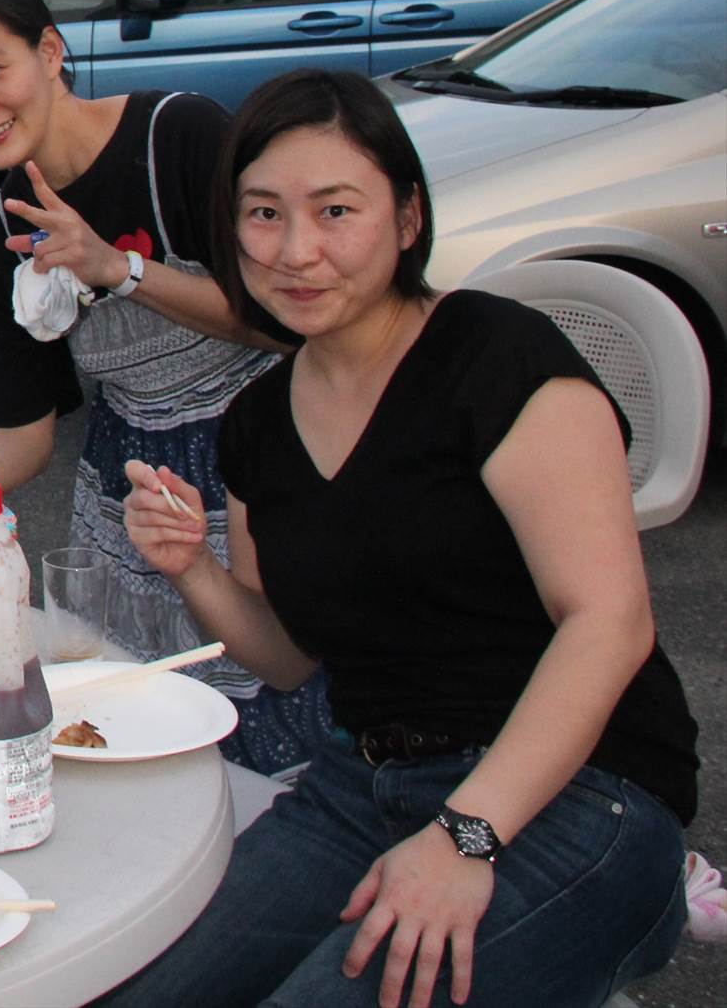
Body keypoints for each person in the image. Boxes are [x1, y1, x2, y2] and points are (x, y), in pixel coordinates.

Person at [99, 69, 697, 1008]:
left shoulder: (497, 355)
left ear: (407, 217)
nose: (296, 250)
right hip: (363, 786)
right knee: (135, 989)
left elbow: (608, 622)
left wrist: (465, 835)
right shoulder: (256, 422)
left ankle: (634, 908)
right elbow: (288, 656)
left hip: (579, 792)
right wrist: (190, 567)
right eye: (262, 213)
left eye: (335, 210)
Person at [0, 0, 330, 774]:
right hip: (129, 495)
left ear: (48, 51)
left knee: (277, 723)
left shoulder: (177, 137)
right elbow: (26, 430)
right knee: (133, 726)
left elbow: (284, 322)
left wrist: (119, 269)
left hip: (261, 472)